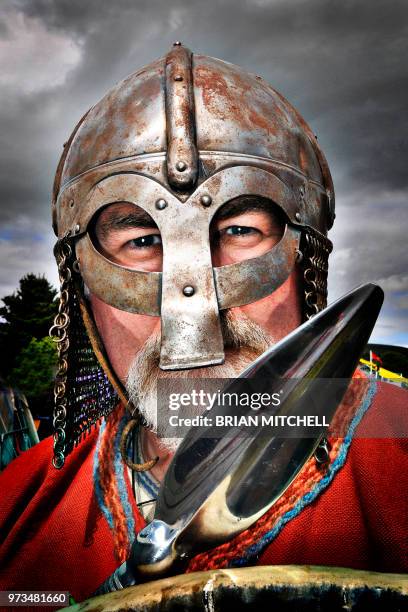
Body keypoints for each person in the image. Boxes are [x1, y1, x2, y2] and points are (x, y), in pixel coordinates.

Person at [0, 43, 406, 603]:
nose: (192, 304)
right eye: (141, 242)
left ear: (304, 260)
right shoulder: (16, 510)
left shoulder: (398, 458)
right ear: (82, 289)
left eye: (239, 232)